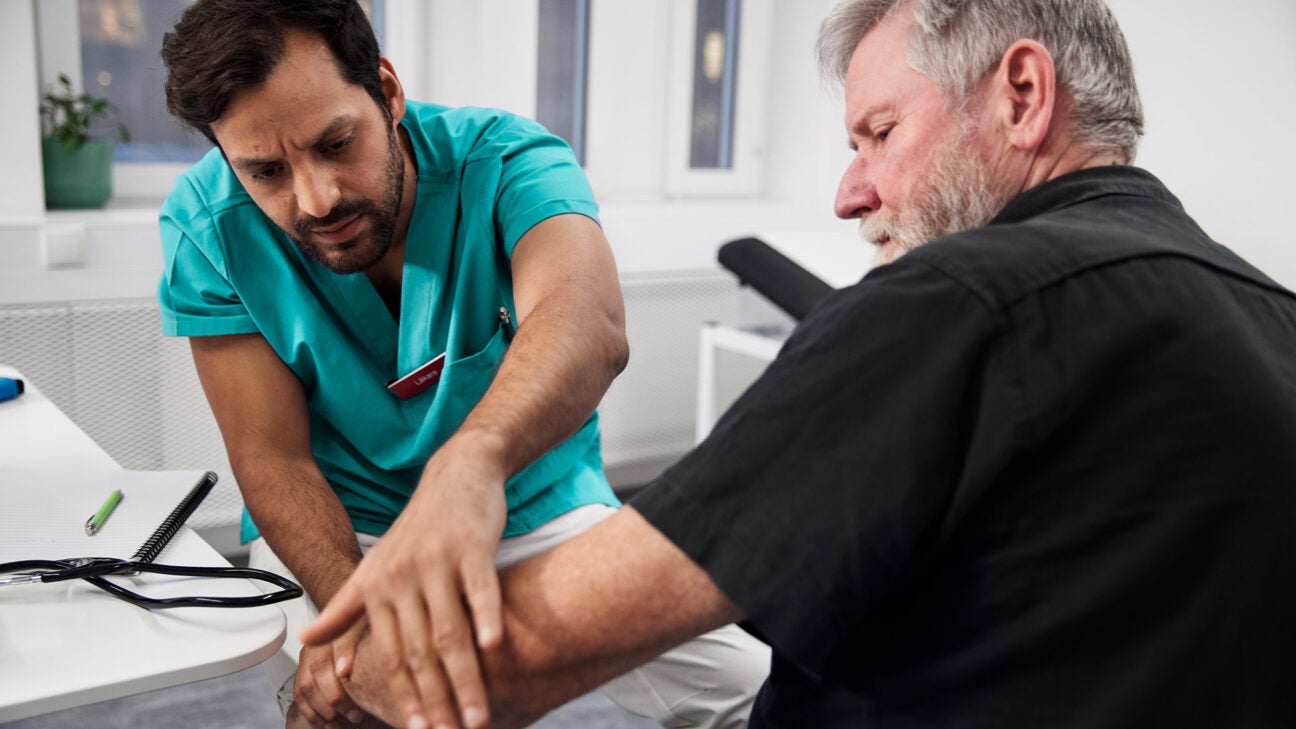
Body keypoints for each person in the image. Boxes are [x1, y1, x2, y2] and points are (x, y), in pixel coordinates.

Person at [302, 0, 1296, 727]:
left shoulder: (952, 305)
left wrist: (340, 676)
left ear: (1023, 95)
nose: (848, 193)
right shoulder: (1272, 317)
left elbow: (506, 661)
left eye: (880, 133)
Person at [155, 1, 770, 727]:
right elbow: (273, 458)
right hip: (345, 527)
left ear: (386, 91)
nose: (316, 198)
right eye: (265, 171)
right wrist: (357, 622)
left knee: (761, 689)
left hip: (531, 502)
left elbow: (588, 319)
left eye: (336, 142)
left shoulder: (508, 160)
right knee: (374, 702)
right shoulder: (206, 226)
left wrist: (471, 461)